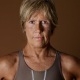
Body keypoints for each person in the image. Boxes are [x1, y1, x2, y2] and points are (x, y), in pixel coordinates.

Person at [0, 0, 80, 80]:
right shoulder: (6, 65)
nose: (38, 29)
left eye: (44, 22)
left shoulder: (69, 64)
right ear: (24, 26)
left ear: (52, 25)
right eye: (32, 22)